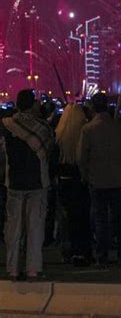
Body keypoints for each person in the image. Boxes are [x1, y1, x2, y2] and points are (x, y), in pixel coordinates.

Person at [0, 89, 54, 280]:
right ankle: (33, 268)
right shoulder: (42, 128)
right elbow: (49, 152)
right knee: (35, 227)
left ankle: (13, 268)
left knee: (13, 228)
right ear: (33, 105)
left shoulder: (7, 125)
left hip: (13, 182)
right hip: (38, 182)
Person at [78, 92, 121, 268]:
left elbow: (81, 158)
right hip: (118, 179)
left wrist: (85, 175)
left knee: (100, 220)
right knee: (119, 218)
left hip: (97, 179)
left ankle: (102, 256)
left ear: (92, 108)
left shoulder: (88, 129)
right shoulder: (120, 128)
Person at [55, 103, 92, 266]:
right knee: (83, 218)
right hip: (81, 180)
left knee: (66, 219)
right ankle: (83, 251)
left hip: (64, 181)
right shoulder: (85, 132)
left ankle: (67, 251)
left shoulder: (59, 135)